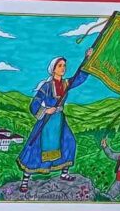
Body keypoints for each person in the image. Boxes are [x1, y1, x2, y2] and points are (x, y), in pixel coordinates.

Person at [17, 56, 90, 192]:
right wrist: (45, 110)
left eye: (64, 65)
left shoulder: (66, 84)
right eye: (60, 65)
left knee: (69, 142)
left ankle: (64, 173)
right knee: (35, 148)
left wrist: (87, 59)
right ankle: (25, 180)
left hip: (60, 120)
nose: (63, 68)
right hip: (47, 120)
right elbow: (34, 104)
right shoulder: (46, 86)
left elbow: (80, 78)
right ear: (53, 69)